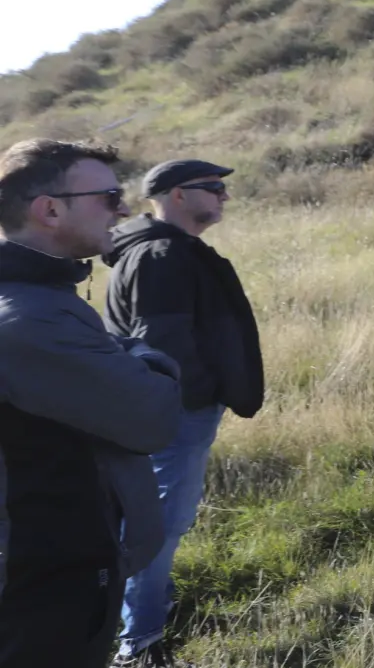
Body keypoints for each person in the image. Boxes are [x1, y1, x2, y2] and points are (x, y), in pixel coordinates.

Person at [0, 139, 182, 668]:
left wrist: (117, 355)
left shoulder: (38, 302)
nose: (123, 209)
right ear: (49, 209)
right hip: (46, 576)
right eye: (107, 196)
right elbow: (151, 414)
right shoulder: (29, 320)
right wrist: (147, 357)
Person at [105, 158, 266, 666]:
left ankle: (147, 615)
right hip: (173, 415)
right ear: (176, 195)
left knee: (159, 520)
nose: (224, 195)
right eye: (213, 188)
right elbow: (162, 349)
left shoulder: (168, 250)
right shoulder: (160, 254)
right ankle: (141, 643)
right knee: (159, 525)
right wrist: (200, 396)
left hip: (172, 411)